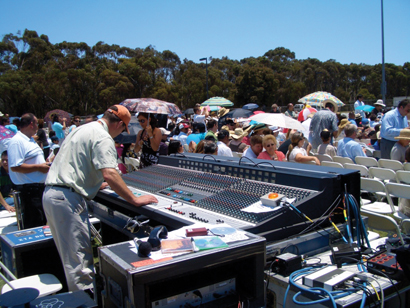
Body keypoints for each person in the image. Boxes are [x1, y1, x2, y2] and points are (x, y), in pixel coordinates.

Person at [43, 105, 158, 292]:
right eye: (123, 129)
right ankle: (86, 302)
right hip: (68, 199)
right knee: (79, 265)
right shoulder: (103, 137)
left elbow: (78, 163)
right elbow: (110, 173)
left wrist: (95, 182)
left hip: (53, 193)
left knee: (70, 259)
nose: (120, 134)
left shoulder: (81, 129)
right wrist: (134, 200)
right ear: (119, 123)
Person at [8, 113, 50, 229]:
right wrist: (39, 167)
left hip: (38, 188)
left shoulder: (30, 140)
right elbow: (15, 166)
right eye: (37, 123)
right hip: (29, 190)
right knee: (34, 223)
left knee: (41, 220)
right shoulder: (17, 141)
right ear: (32, 124)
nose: (38, 127)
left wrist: (45, 164)